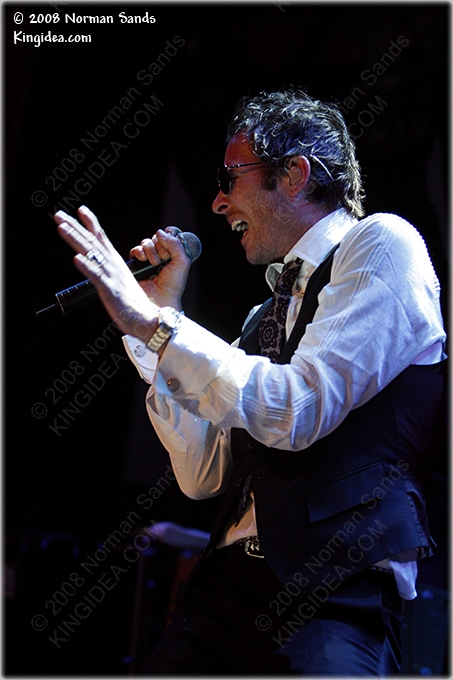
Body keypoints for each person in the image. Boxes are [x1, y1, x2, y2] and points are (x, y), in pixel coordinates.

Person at [54, 88, 446, 675]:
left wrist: (158, 327)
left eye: (229, 177)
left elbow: (298, 410)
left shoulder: (383, 245)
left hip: (333, 591)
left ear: (294, 174)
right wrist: (154, 327)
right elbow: (202, 474)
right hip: (222, 592)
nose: (217, 202)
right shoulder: (264, 318)